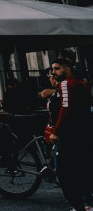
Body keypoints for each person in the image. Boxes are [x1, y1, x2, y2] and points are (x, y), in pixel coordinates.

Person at [48, 58, 93, 211]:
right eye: (53, 69)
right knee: (83, 168)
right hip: (85, 133)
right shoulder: (82, 84)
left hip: (70, 134)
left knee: (64, 170)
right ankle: (87, 203)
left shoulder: (66, 84)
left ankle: (79, 205)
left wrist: (56, 131)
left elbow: (65, 109)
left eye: (57, 68)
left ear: (67, 69)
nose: (53, 72)